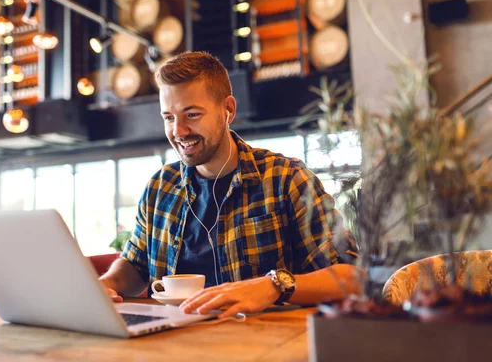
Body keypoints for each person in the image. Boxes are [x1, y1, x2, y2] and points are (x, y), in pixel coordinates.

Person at [100, 51, 361, 319]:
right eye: (168, 117)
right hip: (171, 343)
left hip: (259, 343)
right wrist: (104, 286)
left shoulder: (285, 178)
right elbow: (135, 267)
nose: (178, 131)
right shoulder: (160, 188)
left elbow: (351, 277)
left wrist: (273, 285)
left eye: (192, 114)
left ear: (228, 110)